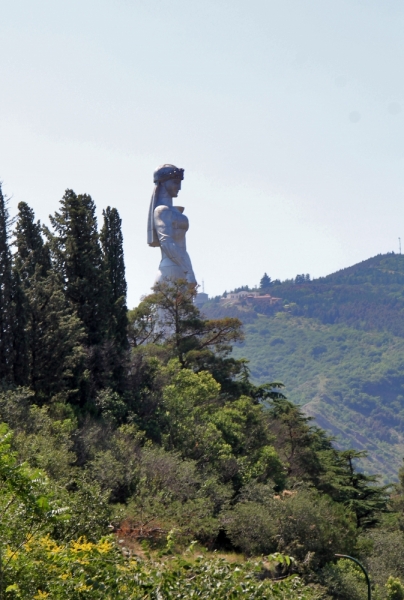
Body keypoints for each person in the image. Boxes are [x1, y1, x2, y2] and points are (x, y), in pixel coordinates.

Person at [147, 164, 197, 285]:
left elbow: (182, 248)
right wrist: (188, 271)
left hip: (181, 267)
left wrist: (189, 270)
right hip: (170, 270)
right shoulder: (161, 210)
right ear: (163, 183)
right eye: (175, 182)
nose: (179, 187)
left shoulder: (174, 211)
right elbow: (167, 242)